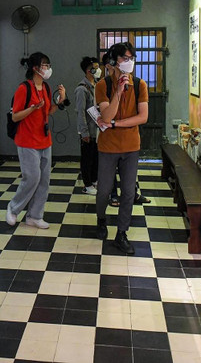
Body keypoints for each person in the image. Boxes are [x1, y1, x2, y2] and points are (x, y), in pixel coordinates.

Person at [95, 42, 149, 255]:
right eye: (124, 58)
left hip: (131, 147)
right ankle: (101, 218)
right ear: (113, 61)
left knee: (128, 192)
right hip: (108, 147)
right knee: (104, 191)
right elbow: (106, 116)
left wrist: (117, 124)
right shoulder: (103, 85)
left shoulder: (140, 84)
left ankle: (122, 233)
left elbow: (142, 117)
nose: (129, 62)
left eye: (131, 58)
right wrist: (117, 91)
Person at [6, 52, 66, 229]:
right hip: (27, 141)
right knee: (32, 178)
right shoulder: (24, 89)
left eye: (48, 64)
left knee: (44, 180)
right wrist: (32, 108)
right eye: (44, 65)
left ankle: (35, 215)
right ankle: (13, 207)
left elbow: (48, 111)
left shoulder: (46, 88)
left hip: (44, 140)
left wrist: (60, 101)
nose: (47, 68)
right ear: (35, 68)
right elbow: (15, 116)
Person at [75, 56, 100, 195]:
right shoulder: (81, 89)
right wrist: (84, 132)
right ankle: (87, 184)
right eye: (95, 68)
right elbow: (80, 113)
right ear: (88, 70)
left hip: (96, 130)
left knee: (95, 157)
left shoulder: (96, 85)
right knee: (87, 158)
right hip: (88, 130)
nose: (98, 70)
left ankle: (94, 180)